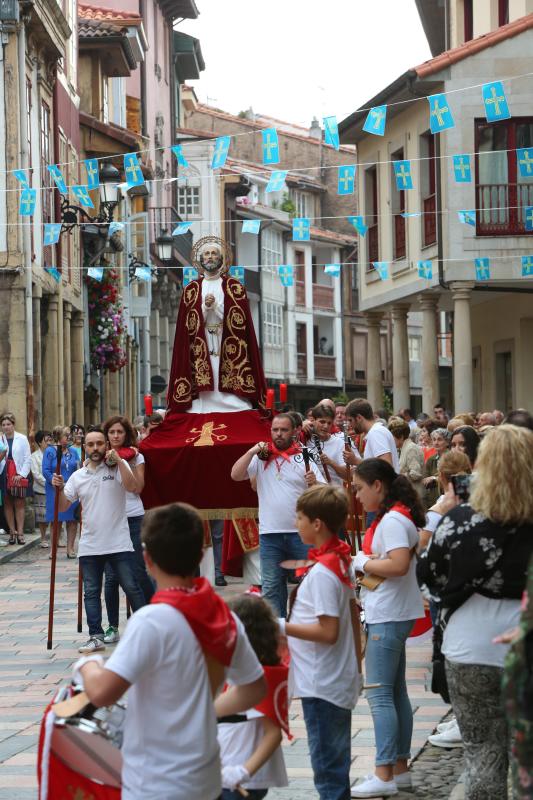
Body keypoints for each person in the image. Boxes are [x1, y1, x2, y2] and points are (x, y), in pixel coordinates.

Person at [71, 501, 267, 800]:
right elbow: (255, 688)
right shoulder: (223, 615)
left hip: (155, 782)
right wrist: (202, 710)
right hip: (205, 776)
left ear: (147, 559)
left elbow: (103, 693)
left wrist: (88, 665)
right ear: (201, 554)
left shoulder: (151, 621)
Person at [417, 425, 533, 800]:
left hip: (470, 646)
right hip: (523, 641)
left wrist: (444, 514)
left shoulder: (460, 518)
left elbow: (429, 578)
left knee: (483, 752)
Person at [350, 459, 426, 798]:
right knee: (395, 693)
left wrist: (360, 561)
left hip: (389, 614)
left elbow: (396, 564)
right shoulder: (395, 517)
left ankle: (384, 773)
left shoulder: (393, 520)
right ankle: (399, 769)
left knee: (380, 694)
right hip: (392, 612)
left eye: (359, 487)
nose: (357, 494)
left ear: (377, 485)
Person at [283, 484, 360, 800]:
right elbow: (353, 614)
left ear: (317, 524)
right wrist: (356, 662)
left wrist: (281, 626)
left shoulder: (326, 571)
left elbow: (328, 632)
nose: (296, 523)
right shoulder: (339, 559)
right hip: (334, 676)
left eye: (300, 517)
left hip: (322, 682)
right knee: (334, 763)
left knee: (328, 771)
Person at [51, 428, 147, 653]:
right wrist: (58, 489)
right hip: (91, 544)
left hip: (119, 542)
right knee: (91, 592)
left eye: (99, 444)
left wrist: (121, 461)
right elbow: (64, 506)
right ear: (84, 447)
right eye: (91, 444)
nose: (96, 448)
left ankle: (147, 629)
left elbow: (134, 487)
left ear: (107, 445)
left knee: (132, 586)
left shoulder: (116, 469)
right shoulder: (78, 475)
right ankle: (96, 636)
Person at [231, 413, 325, 617]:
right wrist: (251, 450)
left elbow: (324, 492)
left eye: (284, 430)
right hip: (270, 534)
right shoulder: (260, 456)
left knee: (309, 584)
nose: (279, 434)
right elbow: (235, 475)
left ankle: (306, 627)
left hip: (302, 534)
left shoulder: (305, 454)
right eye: (275, 430)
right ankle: (278, 632)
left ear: (294, 432)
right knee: (272, 587)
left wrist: (314, 483)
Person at [168, 237, 267, 414]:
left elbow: (241, 321)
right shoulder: (191, 289)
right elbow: (187, 325)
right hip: (202, 339)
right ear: (201, 259)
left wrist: (216, 306)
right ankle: (201, 403)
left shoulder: (234, 287)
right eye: (206, 254)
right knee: (205, 369)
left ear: (221, 259)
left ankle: (231, 399)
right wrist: (205, 308)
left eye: (214, 254)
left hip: (226, 338)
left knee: (222, 365)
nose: (210, 257)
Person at [217, 592, 289, 798]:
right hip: (226, 769)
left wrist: (242, 772)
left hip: (238, 775)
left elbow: (273, 733)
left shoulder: (262, 675)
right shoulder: (246, 670)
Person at [102, 416, 155, 644]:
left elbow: (137, 487)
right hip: (109, 520)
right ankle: (112, 626)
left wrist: (123, 462)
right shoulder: (98, 456)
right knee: (111, 576)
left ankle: (151, 615)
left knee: (137, 571)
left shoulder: (136, 456)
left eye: (119, 432)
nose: (115, 436)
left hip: (133, 516)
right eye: (112, 432)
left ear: (126, 434)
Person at [43, 426, 80, 558]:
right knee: (56, 520)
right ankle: (53, 550)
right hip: (55, 489)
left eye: (70, 435)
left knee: (72, 520)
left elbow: (78, 468)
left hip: (71, 488)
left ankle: (70, 549)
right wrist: (54, 480)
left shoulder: (74, 451)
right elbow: (45, 470)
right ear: (58, 437)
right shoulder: (50, 451)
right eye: (66, 435)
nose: (69, 437)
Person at [0, 412, 32, 545]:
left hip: (18, 472)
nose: (6, 427)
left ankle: (20, 533)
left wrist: (22, 474)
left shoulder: (22, 438)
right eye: (3, 425)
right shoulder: (0, 439)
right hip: (4, 472)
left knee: (19, 503)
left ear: (13, 425)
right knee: (7, 502)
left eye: (8, 424)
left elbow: (27, 458)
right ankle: (12, 533)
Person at [344, 399, 400, 473]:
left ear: (359, 418)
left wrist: (356, 461)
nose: (350, 425)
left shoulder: (376, 433)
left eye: (350, 420)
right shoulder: (375, 432)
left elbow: (386, 467)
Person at [310, 403, 354, 487]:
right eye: (322, 422)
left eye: (329, 423)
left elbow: (347, 475)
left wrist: (331, 462)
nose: (326, 426)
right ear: (313, 421)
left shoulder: (339, 443)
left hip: (333, 495)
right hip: (312, 495)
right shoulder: (305, 440)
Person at [388, 418, 424, 497]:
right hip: (408, 493)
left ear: (401, 437)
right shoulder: (403, 448)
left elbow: (415, 474)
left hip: (414, 494)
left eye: (392, 437)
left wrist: (396, 476)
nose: (390, 440)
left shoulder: (411, 448)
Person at [30, 430, 52, 548]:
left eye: (50, 440)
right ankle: (43, 538)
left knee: (54, 515)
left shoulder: (53, 454)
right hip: (41, 489)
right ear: (39, 442)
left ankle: (55, 538)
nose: (49, 442)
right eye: (46, 440)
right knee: (42, 516)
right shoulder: (34, 456)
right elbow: (36, 474)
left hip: (53, 489)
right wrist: (50, 482)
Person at [422, 428, 450, 509]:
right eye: (434, 440)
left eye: (439, 440)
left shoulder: (452, 458)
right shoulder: (431, 459)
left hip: (447, 499)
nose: (436, 443)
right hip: (433, 500)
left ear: (447, 442)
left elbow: (451, 478)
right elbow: (425, 480)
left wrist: (434, 478)